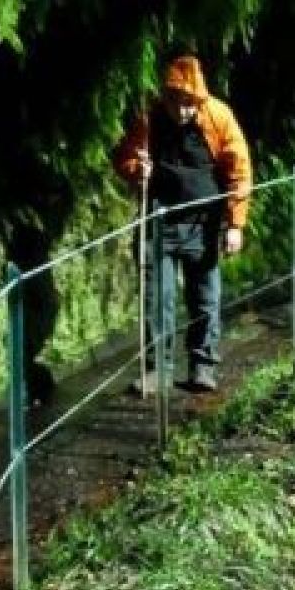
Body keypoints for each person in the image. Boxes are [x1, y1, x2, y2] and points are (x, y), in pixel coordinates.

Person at [113, 54, 252, 394]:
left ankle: (203, 366)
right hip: (158, 220)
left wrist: (235, 224)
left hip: (203, 222)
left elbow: (240, 171)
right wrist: (137, 169)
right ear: (167, 97)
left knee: (205, 296)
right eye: (177, 103)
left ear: (199, 100)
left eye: (190, 104)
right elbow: (124, 156)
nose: (183, 111)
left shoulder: (218, 117)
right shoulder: (150, 119)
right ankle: (156, 371)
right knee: (156, 299)